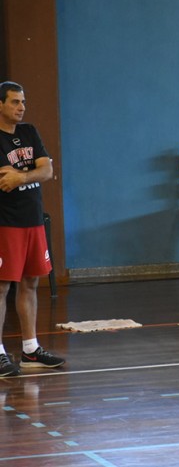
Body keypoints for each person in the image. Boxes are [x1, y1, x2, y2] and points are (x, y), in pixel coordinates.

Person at [0, 81, 64, 377]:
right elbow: (4, 179)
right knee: (2, 286)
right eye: (15, 101)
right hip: (5, 222)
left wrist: (21, 176)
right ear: (0, 104)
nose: (21, 107)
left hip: (33, 220)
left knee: (30, 283)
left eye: (23, 101)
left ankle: (30, 350)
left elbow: (47, 170)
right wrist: (30, 172)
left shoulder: (29, 132)